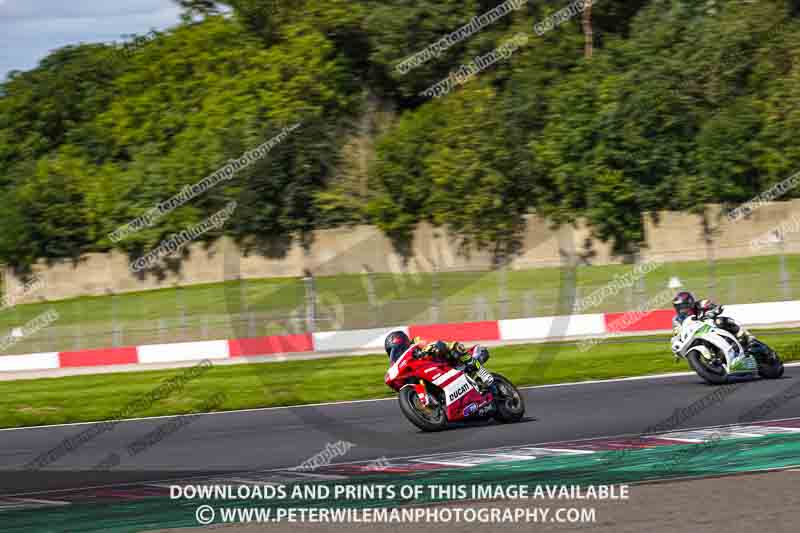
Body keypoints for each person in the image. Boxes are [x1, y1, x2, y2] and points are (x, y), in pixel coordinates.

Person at [384, 331, 492, 384]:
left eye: (398, 349)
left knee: (454, 346)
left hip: (443, 361)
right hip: (429, 375)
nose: (397, 353)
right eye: (394, 351)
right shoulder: (400, 363)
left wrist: (428, 348)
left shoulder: (415, 342)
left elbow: (426, 342)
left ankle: (482, 372)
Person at [671, 291, 753, 348]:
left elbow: (715, 307)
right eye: (679, 307)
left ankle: (745, 336)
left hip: (712, 327)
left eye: (683, 306)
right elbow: (676, 333)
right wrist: (675, 342)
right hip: (697, 335)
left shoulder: (701, 303)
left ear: (690, 302)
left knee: (720, 321)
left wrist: (712, 312)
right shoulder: (677, 320)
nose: (682, 309)